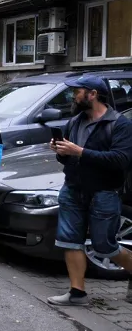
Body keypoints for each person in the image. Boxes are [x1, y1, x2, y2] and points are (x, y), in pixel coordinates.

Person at [47, 76, 132, 306]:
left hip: (104, 192)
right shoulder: (75, 122)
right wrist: (61, 151)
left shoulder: (119, 124)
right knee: (70, 241)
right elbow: (67, 158)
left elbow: (121, 160)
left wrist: (80, 151)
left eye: (78, 91)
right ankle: (77, 293)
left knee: (104, 245)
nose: (74, 96)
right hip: (73, 189)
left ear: (92, 94)